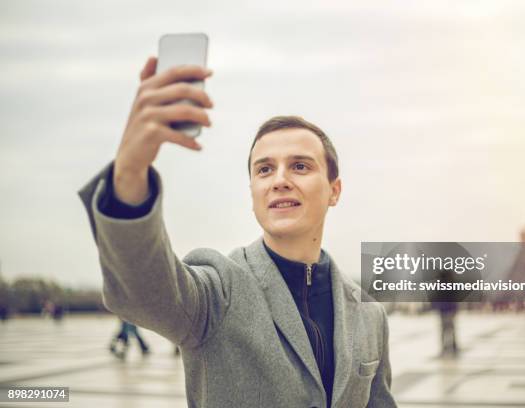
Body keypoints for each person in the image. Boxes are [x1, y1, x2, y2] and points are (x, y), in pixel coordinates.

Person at [78, 57, 396, 408]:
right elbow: (141, 292)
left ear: (334, 191)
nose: (279, 181)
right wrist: (129, 175)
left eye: (300, 166)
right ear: (253, 192)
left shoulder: (370, 315)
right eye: (264, 170)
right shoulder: (218, 292)